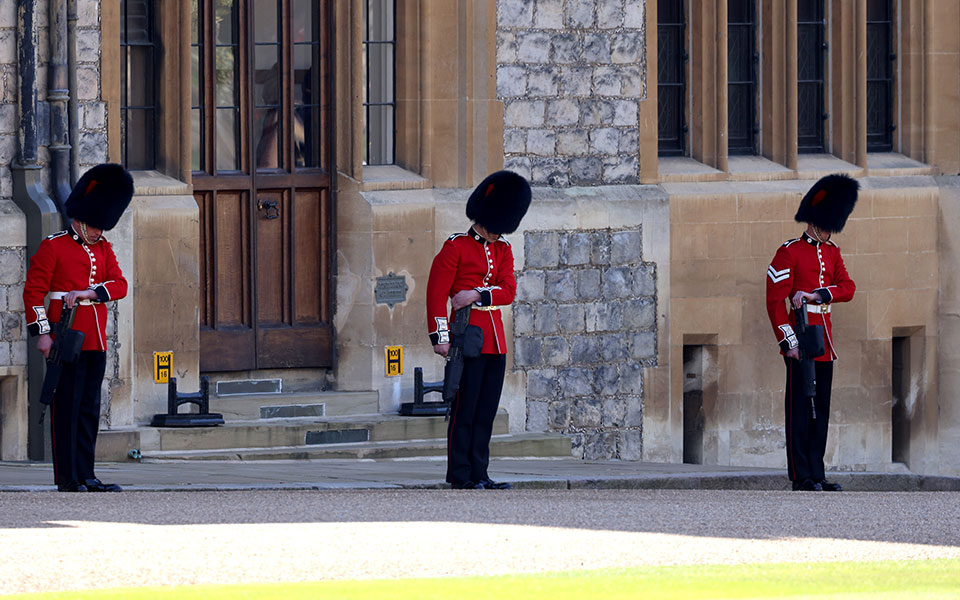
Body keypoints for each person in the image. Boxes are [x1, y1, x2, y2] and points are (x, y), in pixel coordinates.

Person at [23, 163, 134, 493]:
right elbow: (33, 292)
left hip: (95, 339)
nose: (99, 232)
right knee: (67, 408)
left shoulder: (104, 248)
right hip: (65, 338)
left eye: (102, 227)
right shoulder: (54, 245)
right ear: (81, 219)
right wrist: (43, 334)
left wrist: (90, 293)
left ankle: (87, 474)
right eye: (95, 226)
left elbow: (120, 284)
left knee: (88, 409)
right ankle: (68, 477)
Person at [426, 170, 531, 490]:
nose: (499, 234)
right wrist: (441, 338)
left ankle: (480, 473)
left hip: (495, 341)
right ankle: (461, 474)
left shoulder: (503, 249)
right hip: (466, 337)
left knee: (486, 412)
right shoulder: (456, 247)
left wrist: (475, 294)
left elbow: (508, 291)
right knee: (465, 410)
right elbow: (435, 295)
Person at [766, 174, 858, 492]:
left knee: (821, 409)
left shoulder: (832, 252)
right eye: (826, 225)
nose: (830, 231)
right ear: (814, 222)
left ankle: (817, 473)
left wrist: (818, 294)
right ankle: (801, 475)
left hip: (824, 342)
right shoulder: (789, 252)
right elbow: (775, 302)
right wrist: (788, 342)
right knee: (800, 410)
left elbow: (848, 288)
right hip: (801, 340)